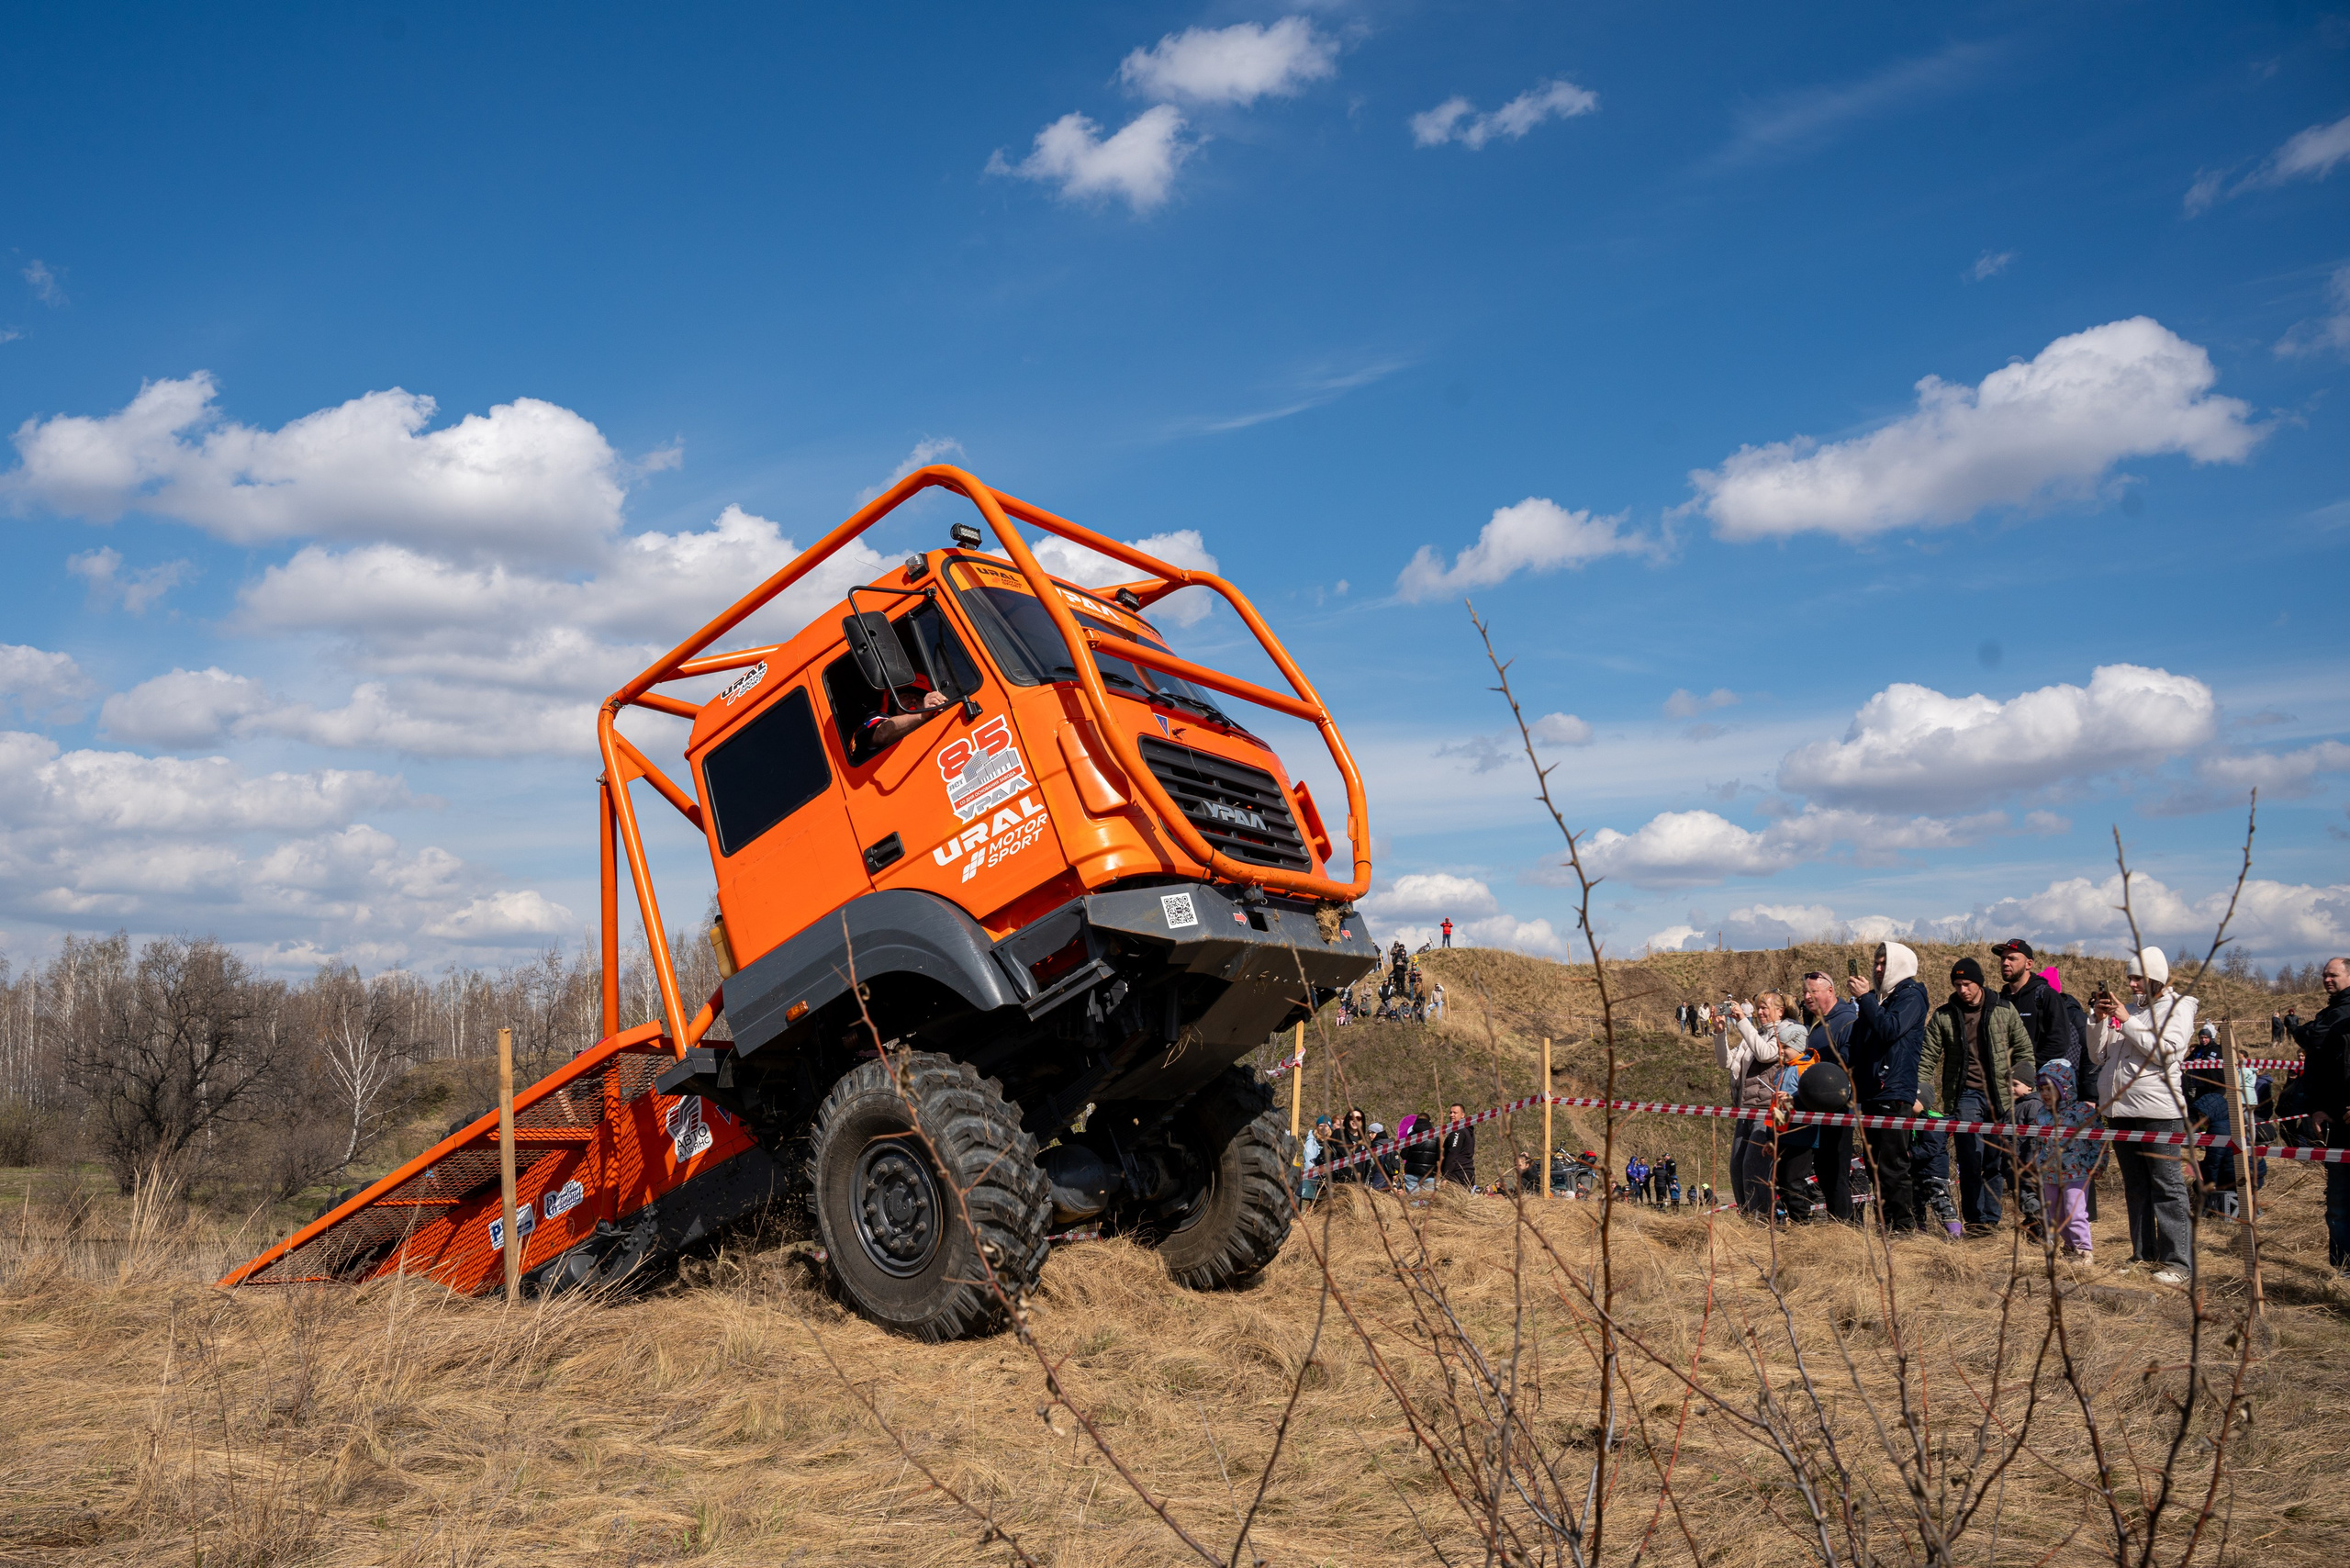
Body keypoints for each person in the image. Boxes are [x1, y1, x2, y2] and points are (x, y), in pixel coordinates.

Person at [2087, 947, 2197, 1282]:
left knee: (2167, 1184)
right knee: (2136, 1186)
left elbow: (2167, 1051)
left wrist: (2128, 1020)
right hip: (2121, 1110)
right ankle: (2143, 1254)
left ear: (2157, 978)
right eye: (2130, 978)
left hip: (2158, 1110)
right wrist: (2099, 1019)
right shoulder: (2129, 1011)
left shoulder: (2179, 1008)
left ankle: (2178, 1263)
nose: (2132, 984)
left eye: (2138, 978)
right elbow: (2097, 1055)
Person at [1917, 958, 2038, 1234]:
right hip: (1965, 1096)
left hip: (2001, 1096)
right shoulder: (1944, 1016)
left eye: (1967, 984)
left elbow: (2024, 1051)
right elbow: (1927, 1058)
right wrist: (1923, 1092)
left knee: (1994, 1160)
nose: (1962, 990)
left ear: (1979, 983)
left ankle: (1991, 1219)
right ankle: (1974, 1221)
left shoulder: (2004, 1010)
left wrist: (2020, 1083)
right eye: (1957, 985)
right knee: (1970, 1157)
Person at [1847, 942, 1930, 1235]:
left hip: (1894, 1091)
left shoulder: (1911, 997)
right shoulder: (1880, 1000)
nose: (1878, 968)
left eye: (1884, 963)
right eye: (1876, 962)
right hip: (1872, 1092)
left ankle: (1904, 1227)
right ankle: (1886, 1225)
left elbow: (1890, 1029)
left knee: (1893, 1164)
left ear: (1899, 964)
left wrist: (1866, 999)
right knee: (1874, 1166)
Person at [2280, 956, 2350, 1273]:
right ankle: (2343, 1270)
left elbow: (2311, 1037)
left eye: (2333, 975)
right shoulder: (2332, 1011)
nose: (2326, 979)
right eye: (2324, 975)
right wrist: (2321, 1108)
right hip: (2336, 1119)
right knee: (2337, 1201)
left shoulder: (2342, 1014)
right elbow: (2326, 1070)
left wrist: (2297, 1028)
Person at [1718, 990, 1801, 1217]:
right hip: (1745, 1109)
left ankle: (1762, 1221)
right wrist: (1720, 1033)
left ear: (1780, 1011)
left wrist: (1743, 1022)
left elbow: (1765, 1054)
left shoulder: (1789, 1032)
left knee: (1753, 1169)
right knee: (1736, 1168)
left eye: (1765, 1007)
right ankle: (1747, 1219)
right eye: (1758, 1007)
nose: (1759, 1012)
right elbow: (1725, 1061)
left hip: (1769, 1112)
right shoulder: (1758, 1033)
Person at [2022, 1058, 2103, 1259]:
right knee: (2056, 1214)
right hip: (2049, 1173)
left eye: (2050, 1088)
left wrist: (2100, 1164)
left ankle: (2084, 1250)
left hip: (2077, 1171)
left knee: (2074, 1211)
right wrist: (2035, 1160)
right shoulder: (2041, 1114)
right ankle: (2069, 1248)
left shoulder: (2083, 1112)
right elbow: (2037, 1141)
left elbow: (2099, 1140)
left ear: (2065, 1087)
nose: (2045, 1094)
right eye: (2041, 1089)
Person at [1800, 971, 1860, 1220]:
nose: (1807, 996)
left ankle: (1844, 1227)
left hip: (1838, 1108)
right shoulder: (1815, 1022)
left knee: (1835, 1171)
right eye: (1805, 992)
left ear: (1830, 991)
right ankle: (1836, 1222)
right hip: (1814, 1107)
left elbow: (1851, 1063)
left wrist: (1820, 1072)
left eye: (1813, 991)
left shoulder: (1846, 1020)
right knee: (1823, 1170)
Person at [1326, 1107, 1370, 1185]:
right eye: (1351, 1118)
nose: (1354, 1120)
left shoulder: (1364, 1142)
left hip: (1357, 1187)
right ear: (1347, 1119)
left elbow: (1366, 1166)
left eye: (1358, 1118)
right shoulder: (1338, 1134)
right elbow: (1325, 1154)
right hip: (1338, 1184)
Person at [1401, 1110, 1438, 1193]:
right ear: (1429, 1122)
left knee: (1412, 1201)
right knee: (1428, 1201)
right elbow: (1440, 1156)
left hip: (1412, 1172)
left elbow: (1403, 1154)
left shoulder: (1410, 1136)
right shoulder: (1435, 1136)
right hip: (1430, 1173)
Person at [1438, 1103, 1476, 1187]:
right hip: (1468, 1173)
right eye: (1450, 1112)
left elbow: (1452, 1153)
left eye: (1455, 1113)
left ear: (1462, 1115)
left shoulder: (1458, 1131)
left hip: (1457, 1175)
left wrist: (1446, 1177)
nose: (1451, 1115)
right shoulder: (1468, 1131)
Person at [1301, 1115, 1332, 1203]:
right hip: (1315, 1177)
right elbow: (1309, 1161)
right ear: (1317, 1127)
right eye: (1320, 1126)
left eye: (1325, 1126)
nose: (1323, 1128)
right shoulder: (1312, 1142)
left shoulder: (1332, 1141)